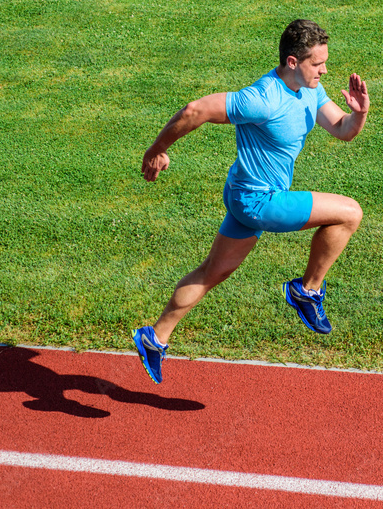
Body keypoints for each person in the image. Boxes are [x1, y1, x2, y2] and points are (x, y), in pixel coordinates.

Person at [132, 19, 369, 384]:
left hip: (244, 193)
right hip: (258, 200)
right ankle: (307, 291)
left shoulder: (310, 90)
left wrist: (360, 112)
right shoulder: (262, 99)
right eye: (317, 63)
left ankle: (155, 337)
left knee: (215, 271)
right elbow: (196, 110)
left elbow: (342, 130)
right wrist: (156, 150)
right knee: (349, 213)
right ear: (292, 62)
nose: (324, 70)